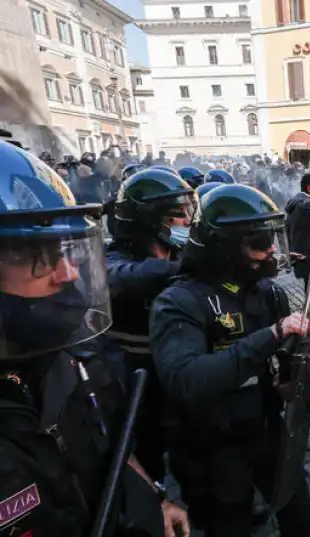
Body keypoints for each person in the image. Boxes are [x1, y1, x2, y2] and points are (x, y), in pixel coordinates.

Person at [0, 141, 189, 537]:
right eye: (38, 254)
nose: (68, 273)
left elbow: (108, 441)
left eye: (66, 251)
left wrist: (152, 497)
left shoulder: (68, 354)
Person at [149, 184, 310, 537]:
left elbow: (281, 358)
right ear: (224, 247)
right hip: (213, 446)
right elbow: (187, 379)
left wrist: (286, 379)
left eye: (273, 239)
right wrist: (268, 336)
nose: (271, 250)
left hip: (268, 431)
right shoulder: (179, 302)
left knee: (299, 515)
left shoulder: (268, 290)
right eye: (258, 242)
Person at [106, 168, 195, 481]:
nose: (187, 221)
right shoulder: (113, 256)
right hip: (137, 385)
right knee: (149, 458)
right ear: (148, 220)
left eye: (189, 212)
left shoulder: (182, 249)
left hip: (182, 377)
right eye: (177, 215)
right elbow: (123, 278)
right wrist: (183, 268)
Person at [285, 173, 310, 285]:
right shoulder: (306, 203)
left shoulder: (296, 200)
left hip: (298, 249)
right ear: (309, 187)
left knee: (309, 283)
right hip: (307, 253)